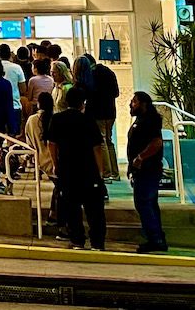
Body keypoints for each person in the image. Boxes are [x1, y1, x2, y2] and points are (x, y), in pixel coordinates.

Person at [46, 86, 106, 250]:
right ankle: (97, 242)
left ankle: (77, 239)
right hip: (88, 169)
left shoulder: (57, 119)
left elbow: (52, 144)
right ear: (82, 103)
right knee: (94, 209)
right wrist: (100, 171)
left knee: (72, 207)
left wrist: (56, 164)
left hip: (67, 168)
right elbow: (97, 147)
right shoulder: (88, 120)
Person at [127, 91, 167, 253]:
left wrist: (140, 158)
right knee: (149, 203)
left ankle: (155, 239)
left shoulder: (149, 121)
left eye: (134, 102)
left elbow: (157, 142)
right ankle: (157, 237)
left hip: (148, 169)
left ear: (143, 104)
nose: (131, 104)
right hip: (142, 170)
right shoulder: (141, 120)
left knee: (144, 202)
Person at [89, 56, 121, 181]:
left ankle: (106, 172)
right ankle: (115, 172)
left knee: (101, 141)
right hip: (111, 111)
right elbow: (116, 93)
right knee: (109, 141)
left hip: (98, 112)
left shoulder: (92, 74)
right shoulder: (109, 72)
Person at [23, 90, 55, 180]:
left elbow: (29, 142)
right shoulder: (56, 119)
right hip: (55, 161)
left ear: (39, 104)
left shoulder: (31, 120)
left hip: (39, 160)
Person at [0, 44, 25, 135]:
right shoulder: (17, 68)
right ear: (10, 54)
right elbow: (23, 89)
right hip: (14, 106)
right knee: (13, 136)